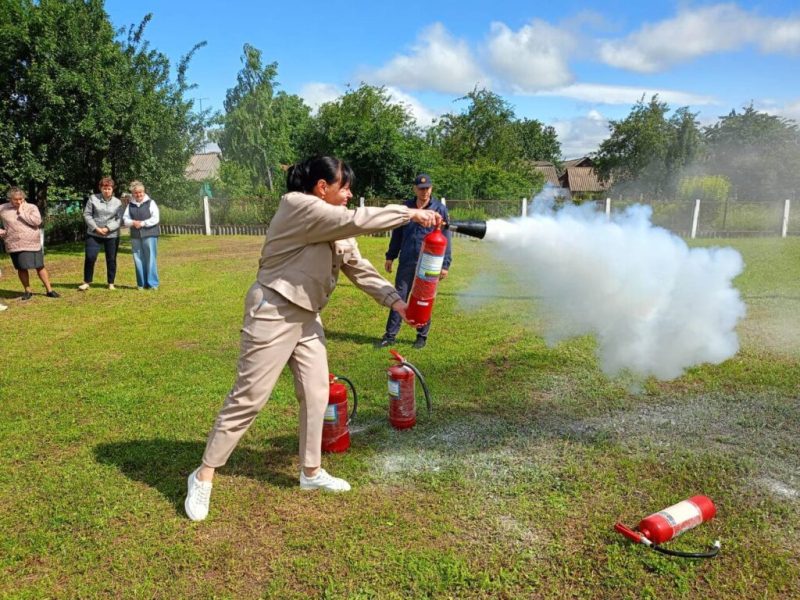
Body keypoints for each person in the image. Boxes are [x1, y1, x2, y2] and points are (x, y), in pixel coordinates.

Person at [184, 156, 441, 521]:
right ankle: (204, 474)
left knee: (318, 392)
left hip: (307, 317)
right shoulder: (298, 206)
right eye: (345, 187)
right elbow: (354, 219)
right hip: (273, 310)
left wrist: (397, 302)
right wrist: (409, 214)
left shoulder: (336, 224)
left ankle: (310, 472)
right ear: (322, 187)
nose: (350, 194)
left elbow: (358, 267)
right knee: (250, 398)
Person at [376, 173, 451, 350]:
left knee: (425, 296)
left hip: (428, 262)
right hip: (407, 259)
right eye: (421, 188)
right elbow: (397, 233)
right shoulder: (407, 208)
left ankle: (421, 335)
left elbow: (446, 237)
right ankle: (390, 335)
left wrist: (445, 264)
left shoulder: (439, 209)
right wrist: (390, 255)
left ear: (431, 189)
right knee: (399, 295)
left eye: (427, 188)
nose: (424, 192)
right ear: (414, 189)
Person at [0, 187, 59, 300]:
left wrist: (21, 212)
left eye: (21, 199)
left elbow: (36, 221)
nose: (18, 201)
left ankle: (49, 290)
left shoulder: (31, 207)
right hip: (14, 243)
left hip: (32, 242)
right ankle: (27, 291)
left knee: (39, 266)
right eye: (15, 199)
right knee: (21, 268)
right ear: (10, 199)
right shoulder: (3, 208)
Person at [78, 177, 123, 291]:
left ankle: (111, 283)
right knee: (90, 257)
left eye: (109, 188)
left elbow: (119, 219)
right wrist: (96, 228)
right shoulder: (93, 199)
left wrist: (108, 228)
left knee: (111, 259)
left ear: (113, 189)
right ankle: (87, 282)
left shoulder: (118, 202)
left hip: (111, 235)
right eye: (104, 188)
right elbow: (87, 215)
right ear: (100, 188)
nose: (106, 191)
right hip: (94, 234)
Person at [122, 180, 160, 290]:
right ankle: (141, 284)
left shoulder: (151, 202)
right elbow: (125, 219)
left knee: (151, 258)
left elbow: (155, 218)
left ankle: (152, 284)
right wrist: (133, 223)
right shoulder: (130, 205)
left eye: (140, 192)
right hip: (135, 235)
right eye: (136, 193)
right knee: (138, 258)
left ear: (144, 192)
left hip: (150, 234)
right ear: (133, 194)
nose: (138, 194)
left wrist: (143, 223)